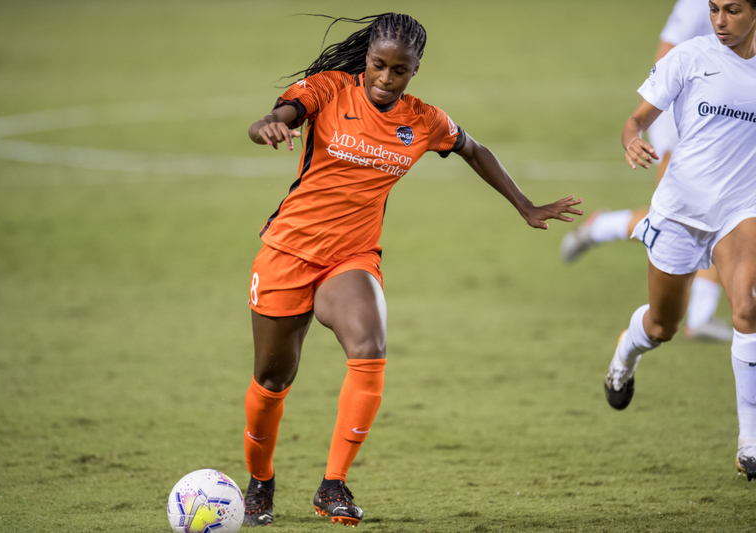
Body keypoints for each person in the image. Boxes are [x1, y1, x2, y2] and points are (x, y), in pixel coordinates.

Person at [241, 13, 583, 527]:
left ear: (414, 70)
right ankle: (260, 482)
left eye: (399, 71)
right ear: (367, 60)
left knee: (370, 348)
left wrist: (525, 205)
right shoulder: (331, 89)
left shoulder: (423, 120)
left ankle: (333, 484)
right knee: (272, 379)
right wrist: (269, 124)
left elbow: (474, 149)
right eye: (378, 65)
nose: (385, 78)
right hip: (288, 252)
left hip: (351, 257)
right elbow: (281, 113)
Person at [602, 0, 756, 481]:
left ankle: (750, 442)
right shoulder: (690, 57)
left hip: (740, 209)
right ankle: (625, 356)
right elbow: (636, 120)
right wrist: (632, 140)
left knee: (748, 307)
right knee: (662, 326)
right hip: (681, 211)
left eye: (732, 10)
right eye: (713, 9)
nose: (719, 21)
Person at [560, 0, 733, 342]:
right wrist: (673, 117)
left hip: (727, 122)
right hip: (687, 119)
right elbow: (668, 50)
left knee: (720, 208)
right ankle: (601, 227)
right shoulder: (700, 2)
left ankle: (700, 316)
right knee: (687, 213)